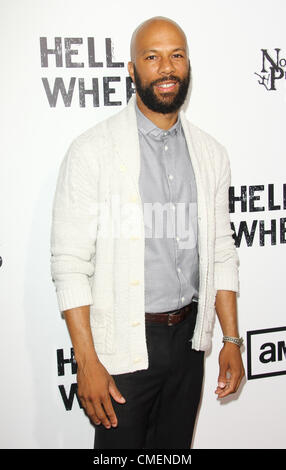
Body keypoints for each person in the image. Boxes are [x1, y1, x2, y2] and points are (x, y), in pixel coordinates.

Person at [50, 16, 245, 449]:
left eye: (176, 55)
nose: (166, 68)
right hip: (121, 346)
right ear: (132, 69)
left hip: (189, 341)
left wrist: (230, 338)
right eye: (152, 57)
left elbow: (220, 251)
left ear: (189, 63)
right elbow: (69, 266)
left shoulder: (211, 154)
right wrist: (88, 362)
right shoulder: (92, 152)